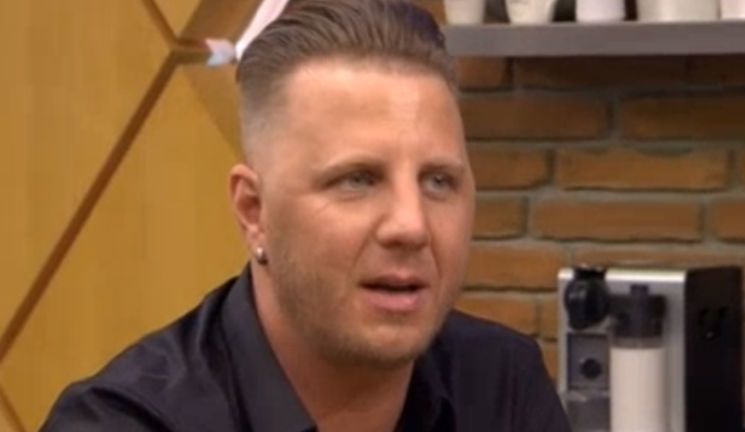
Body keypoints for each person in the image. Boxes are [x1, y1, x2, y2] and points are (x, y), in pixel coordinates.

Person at [42, 0, 570, 430]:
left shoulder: (502, 385)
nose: (411, 226)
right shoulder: (123, 422)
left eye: (438, 181)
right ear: (254, 211)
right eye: (358, 180)